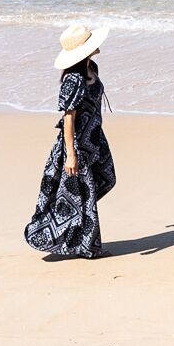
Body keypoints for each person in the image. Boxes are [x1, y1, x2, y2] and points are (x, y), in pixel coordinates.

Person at [23, 23, 117, 258]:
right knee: (83, 192)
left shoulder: (92, 67)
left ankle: (78, 236)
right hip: (77, 144)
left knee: (106, 180)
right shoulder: (73, 80)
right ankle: (89, 248)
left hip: (95, 138)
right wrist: (71, 153)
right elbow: (68, 118)